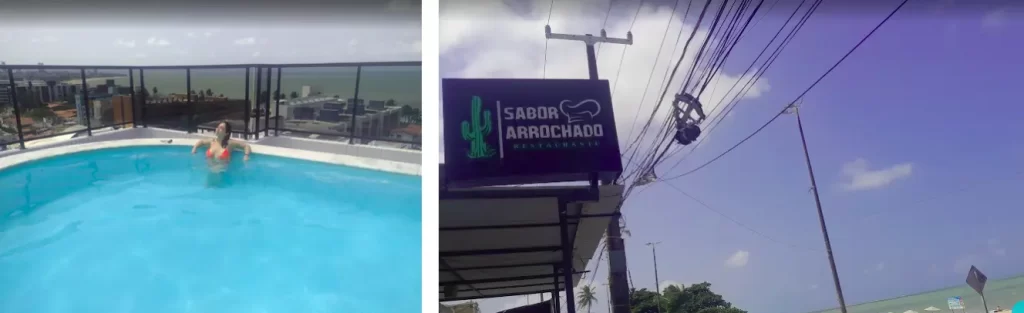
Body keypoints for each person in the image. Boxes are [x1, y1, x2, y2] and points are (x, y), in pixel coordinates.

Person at [190, 121, 251, 187]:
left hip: (222, 174)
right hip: (209, 173)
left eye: (221, 128)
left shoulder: (229, 144)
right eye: (217, 127)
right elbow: (201, 142)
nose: (217, 129)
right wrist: (194, 149)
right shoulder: (212, 141)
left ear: (226, 133)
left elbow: (246, 146)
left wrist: (246, 155)